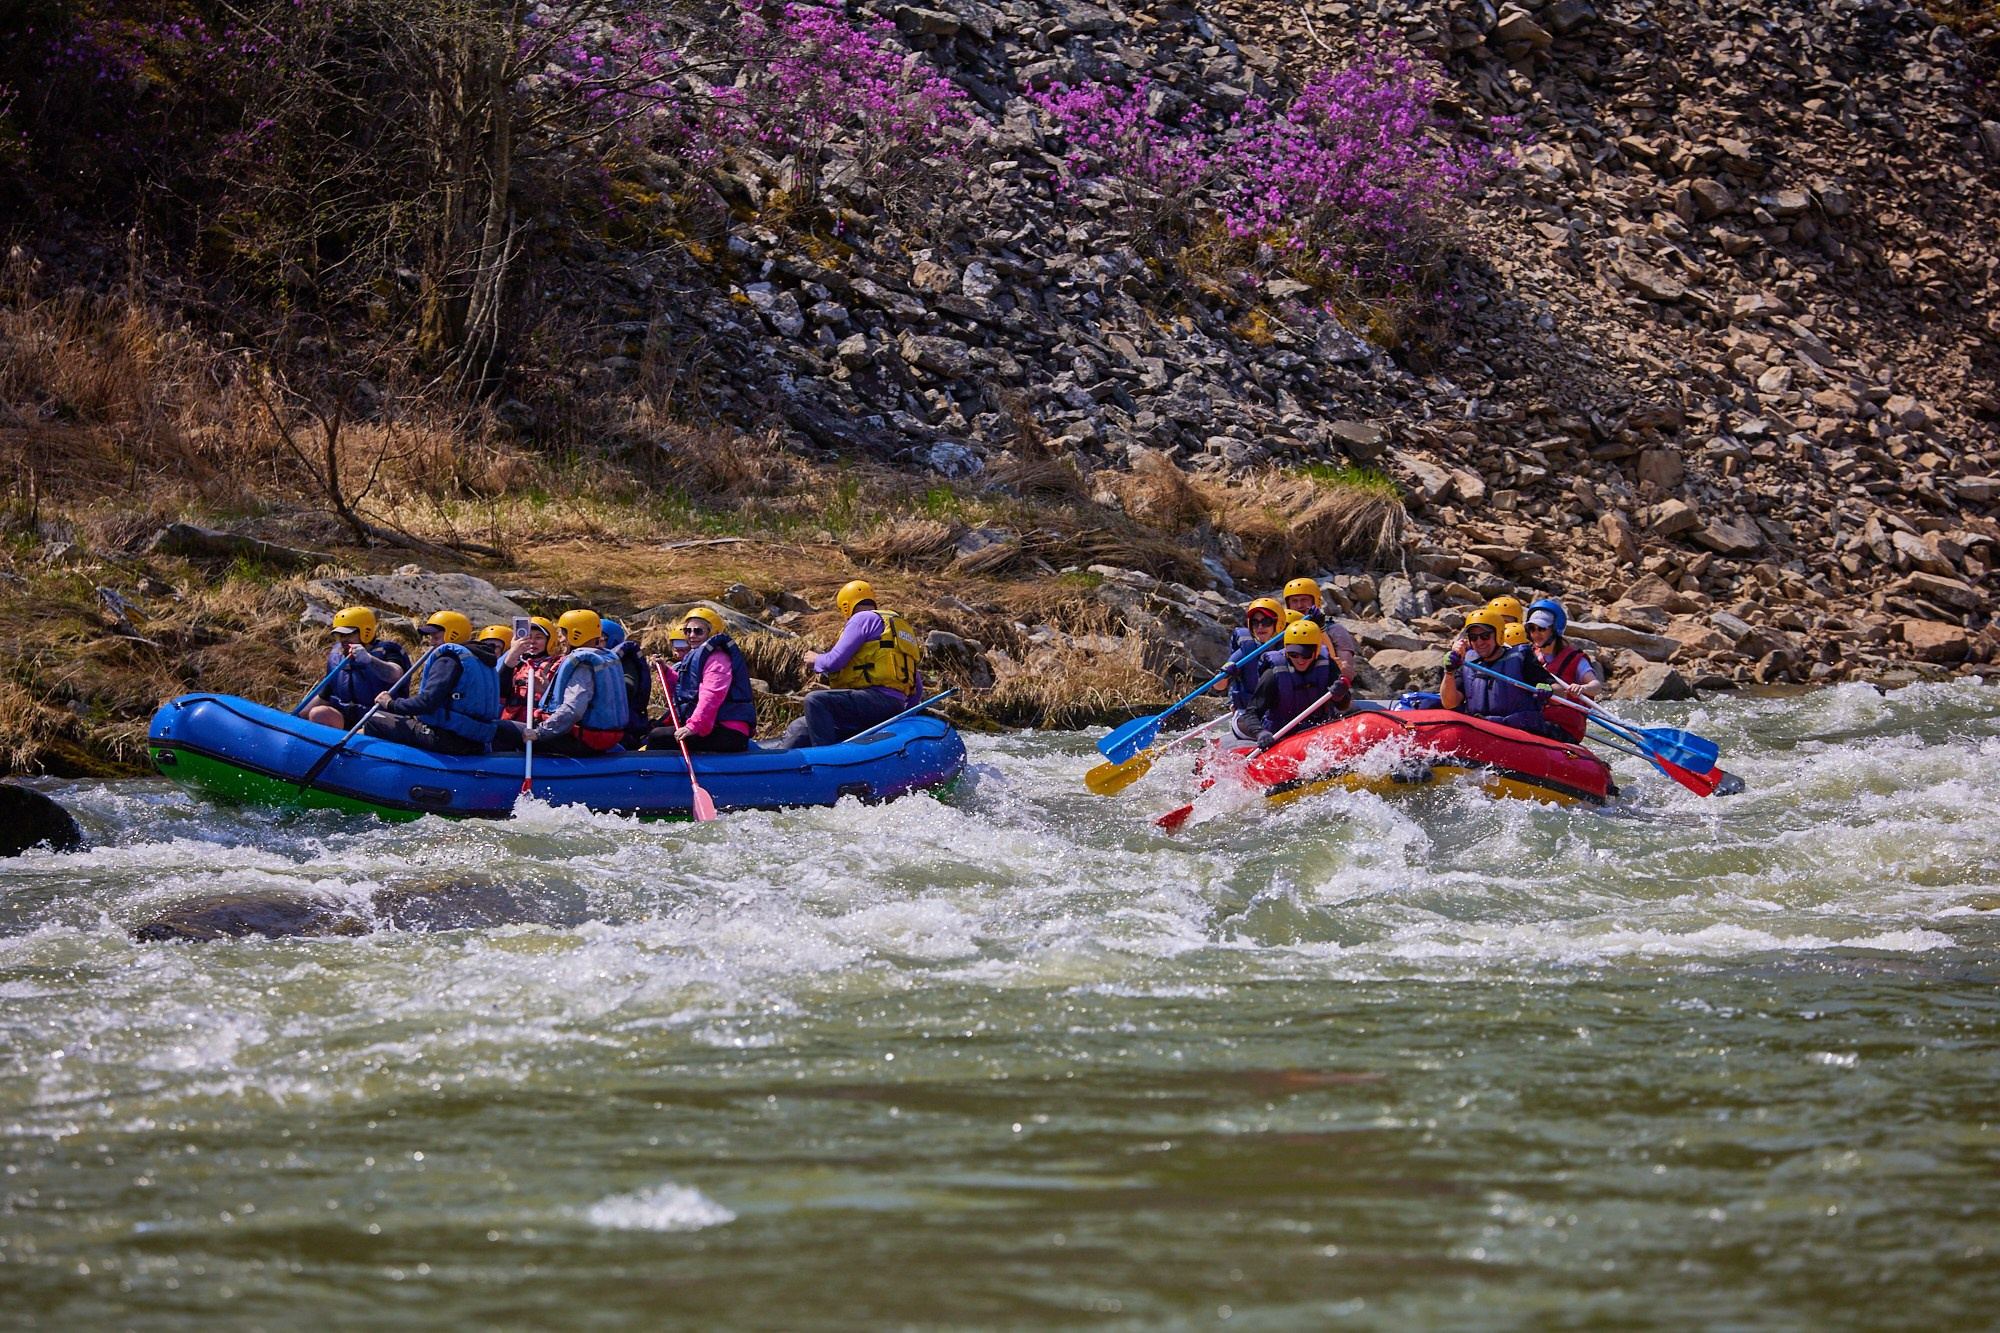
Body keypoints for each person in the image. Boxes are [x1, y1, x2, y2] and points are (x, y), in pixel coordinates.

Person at [776, 580, 924, 750]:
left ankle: (826, 761)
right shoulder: (895, 628)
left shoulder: (861, 619)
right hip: (892, 707)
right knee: (800, 726)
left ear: (846, 606)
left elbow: (834, 661)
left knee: (815, 700)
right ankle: (776, 764)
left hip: (873, 703)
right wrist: (902, 719)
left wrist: (815, 659)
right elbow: (917, 688)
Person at [361, 612, 501, 755]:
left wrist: (391, 704)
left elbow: (426, 702)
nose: (432, 643)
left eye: (436, 637)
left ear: (453, 636)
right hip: (474, 740)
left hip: (447, 738)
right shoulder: (482, 660)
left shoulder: (449, 659)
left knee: (374, 719)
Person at [496, 610, 629, 756]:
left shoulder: (583, 664)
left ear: (576, 635)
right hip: (597, 736)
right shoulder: (605, 656)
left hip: (582, 739)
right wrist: (546, 689)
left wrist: (539, 733)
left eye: (563, 634)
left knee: (501, 728)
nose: (561, 640)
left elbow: (573, 709)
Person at [1439, 606, 1566, 740]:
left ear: (1499, 635)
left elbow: (1561, 694)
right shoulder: (1467, 662)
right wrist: (1449, 672)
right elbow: (1449, 703)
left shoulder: (1522, 658)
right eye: (1473, 637)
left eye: (1485, 636)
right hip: (1479, 730)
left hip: (1517, 733)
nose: (1479, 642)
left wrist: (1549, 691)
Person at [645, 607, 756, 754]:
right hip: (712, 725)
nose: (691, 635)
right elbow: (685, 691)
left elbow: (711, 695)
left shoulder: (718, 659)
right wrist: (666, 671)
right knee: (655, 732)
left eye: (698, 631)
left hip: (729, 730)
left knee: (657, 737)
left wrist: (693, 726)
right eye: (687, 631)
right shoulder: (700, 657)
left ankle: (653, 774)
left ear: (712, 632)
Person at [1242, 621, 1350, 749]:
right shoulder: (1272, 675)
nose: (1300, 660)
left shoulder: (1327, 666)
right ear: (1287, 649)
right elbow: (1251, 713)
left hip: (1318, 730)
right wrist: (1260, 733)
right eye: (1294, 654)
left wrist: (1340, 696)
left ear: (1316, 650)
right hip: (1282, 736)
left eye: (1306, 654)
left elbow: (1343, 705)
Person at [306, 607, 412, 729]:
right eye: (340, 635)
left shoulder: (388, 652)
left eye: (349, 634)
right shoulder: (339, 657)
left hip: (380, 723)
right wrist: (293, 719)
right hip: (348, 720)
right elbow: (324, 696)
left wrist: (369, 660)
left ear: (365, 632)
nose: (343, 639)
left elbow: (395, 675)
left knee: (366, 729)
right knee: (318, 713)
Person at [1525, 598, 1601, 743]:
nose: (1536, 633)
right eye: (1532, 629)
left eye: (1542, 628)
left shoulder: (1575, 659)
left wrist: (1582, 688)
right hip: (1537, 718)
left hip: (1565, 727)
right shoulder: (1529, 655)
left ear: (1554, 629)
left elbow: (1596, 687)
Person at [1215, 597, 1284, 713]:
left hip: (1280, 710)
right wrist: (1224, 674)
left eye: (1266, 622)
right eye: (1255, 623)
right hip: (1249, 711)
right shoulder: (1245, 652)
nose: (1260, 627)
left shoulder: (1290, 647)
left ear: (1278, 622)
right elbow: (1219, 686)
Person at [1282, 576, 1357, 679]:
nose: (1299, 606)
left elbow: (1348, 673)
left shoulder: (1335, 630)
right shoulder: (1281, 629)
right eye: (1294, 601)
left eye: (1304, 600)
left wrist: (1336, 666)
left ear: (1316, 601)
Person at [600, 618, 655, 750]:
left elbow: (628, 687)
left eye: (600, 638)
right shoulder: (590, 661)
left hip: (625, 727)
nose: (594, 642)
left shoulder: (626, 662)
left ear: (612, 641)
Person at [498, 616, 558, 724]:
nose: (532, 642)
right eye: (528, 637)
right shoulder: (516, 662)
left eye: (538, 637)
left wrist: (545, 690)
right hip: (512, 719)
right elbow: (499, 691)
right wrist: (512, 656)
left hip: (540, 723)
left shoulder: (559, 663)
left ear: (549, 641)